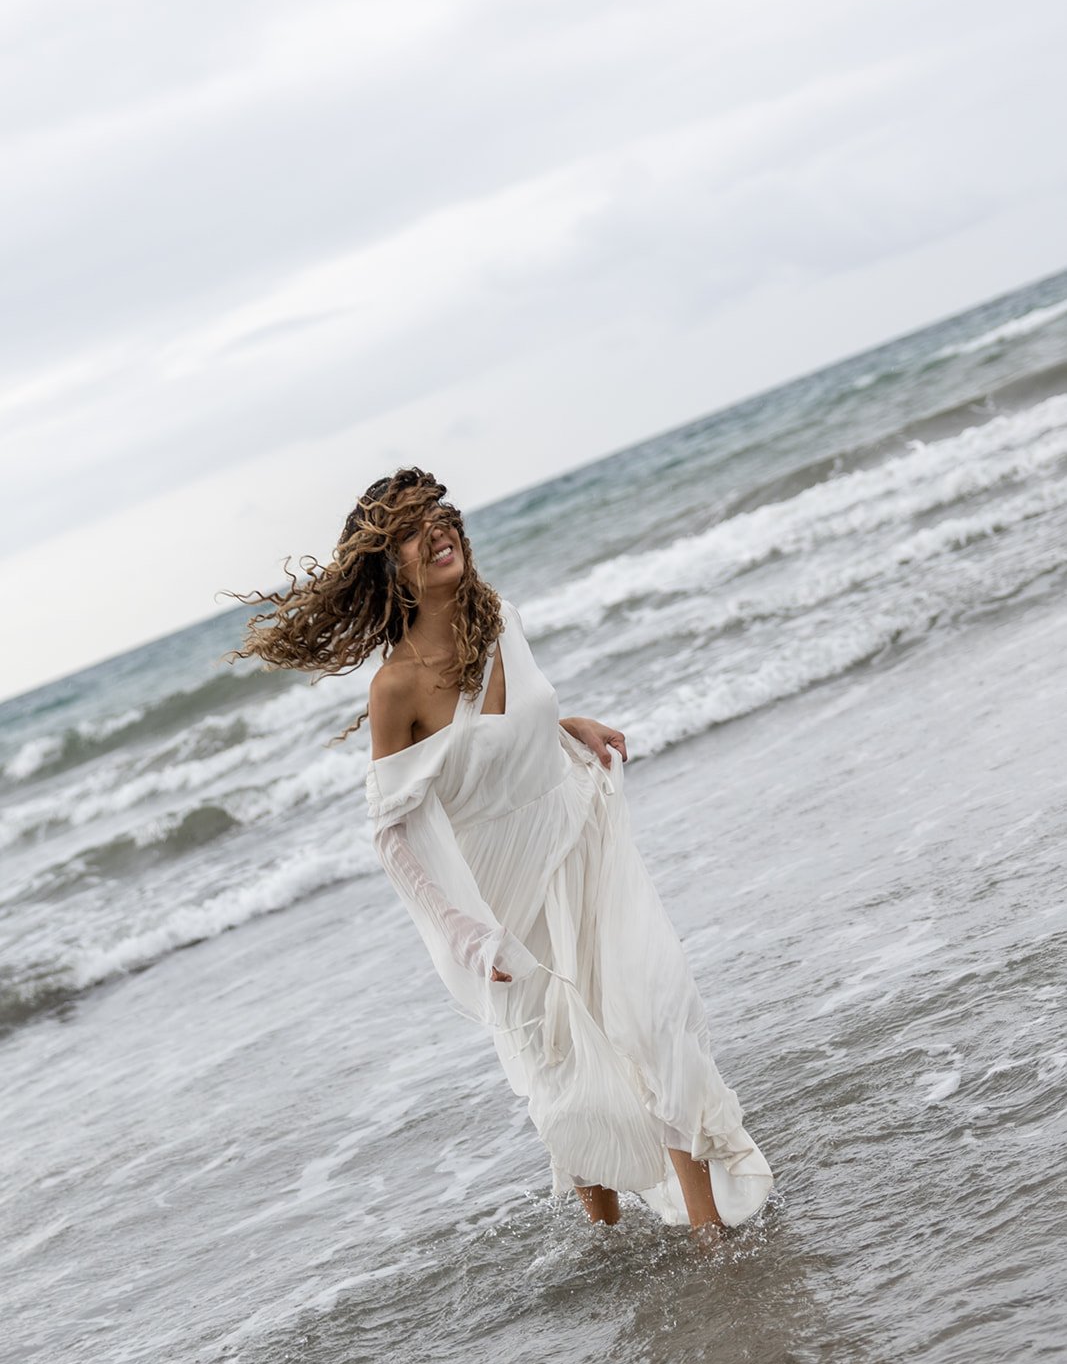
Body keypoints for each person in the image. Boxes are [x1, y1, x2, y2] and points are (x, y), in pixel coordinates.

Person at [229, 467, 773, 1232]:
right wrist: (463, 930)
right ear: (388, 564)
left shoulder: (501, 618)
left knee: (653, 1016)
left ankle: (709, 1234)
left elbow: (517, 724)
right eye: (412, 529)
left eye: (440, 515)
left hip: (581, 840)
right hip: (502, 888)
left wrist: (567, 725)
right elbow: (391, 827)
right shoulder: (396, 687)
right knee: (565, 1064)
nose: (436, 532)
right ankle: (604, 1228)